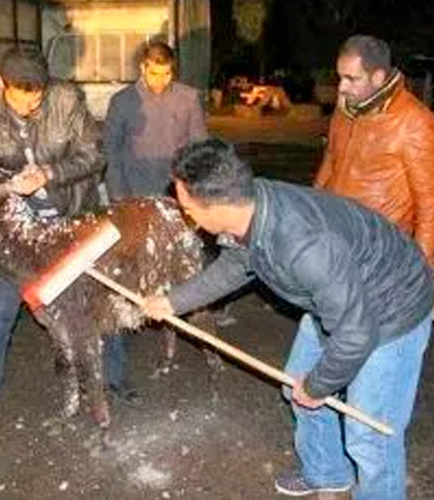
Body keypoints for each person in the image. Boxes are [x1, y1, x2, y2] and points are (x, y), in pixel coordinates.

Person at [142, 138, 432, 499]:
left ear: (215, 205)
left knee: (369, 436)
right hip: (338, 296)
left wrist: (319, 385)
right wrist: (174, 301)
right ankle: (328, 472)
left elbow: (356, 334)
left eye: (187, 208)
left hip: (392, 308)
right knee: (294, 384)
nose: (188, 218)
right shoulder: (250, 207)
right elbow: (237, 264)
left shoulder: (303, 245)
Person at [0, 45, 136, 426]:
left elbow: (95, 156)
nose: (30, 105)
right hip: (20, 233)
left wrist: (48, 174)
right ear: (0, 84)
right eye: (20, 97)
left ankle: (117, 376)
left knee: (100, 300)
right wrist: (11, 186)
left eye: (37, 97)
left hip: (73, 218)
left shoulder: (66, 99)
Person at [315, 35, 434, 267]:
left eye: (351, 79)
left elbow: (429, 203)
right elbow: (329, 164)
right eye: (340, 77)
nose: (341, 87)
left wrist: (420, 269)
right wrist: (312, 213)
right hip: (335, 240)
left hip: (379, 252)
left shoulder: (414, 121)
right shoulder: (345, 111)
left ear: (378, 77)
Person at [104, 40, 207, 200]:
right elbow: (112, 153)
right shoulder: (122, 101)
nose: (160, 80)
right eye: (154, 73)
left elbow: (200, 149)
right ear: (142, 68)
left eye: (167, 74)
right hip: (135, 194)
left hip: (178, 195)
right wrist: (119, 199)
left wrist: (195, 193)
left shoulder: (189, 99)